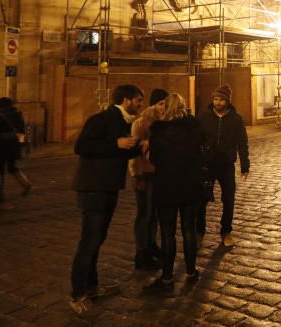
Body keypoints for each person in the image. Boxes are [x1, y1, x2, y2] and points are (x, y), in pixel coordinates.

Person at [69, 84, 143, 315]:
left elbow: (120, 152)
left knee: (98, 238)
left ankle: (92, 286)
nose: (141, 105)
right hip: (93, 187)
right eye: (138, 100)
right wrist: (116, 143)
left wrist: (137, 147)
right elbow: (81, 146)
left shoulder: (124, 122)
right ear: (126, 100)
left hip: (108, 187)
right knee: (89, 240)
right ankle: (77, 294)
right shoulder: (100, 119)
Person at [146, 94, 203, 290]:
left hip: (166, 185)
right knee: (188, 229)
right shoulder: (194, 128)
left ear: (166, 108)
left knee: (167, 233)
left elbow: (153, 159)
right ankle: (191, 271)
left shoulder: (159, 131)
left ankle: (167, 277)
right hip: (189, 185)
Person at [197, 85, 249, 248]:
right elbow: (196, 140)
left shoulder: (236, 119)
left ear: (227, 101)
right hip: (207, 165)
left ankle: (226, 231)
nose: (217, 102)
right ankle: (199, 231)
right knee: (202, 199)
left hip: (226, 165)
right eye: (215, 99)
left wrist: (245, 165)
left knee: (228, 199)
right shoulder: (204, 118)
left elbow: (242, 143)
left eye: (220, 99)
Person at [129, 88, 167, 270]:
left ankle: (151, 245)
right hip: (145, 174)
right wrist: (137, 176)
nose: (163, 107)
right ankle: (141, 252)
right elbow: (133, 154)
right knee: (145, 214)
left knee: (155, 214)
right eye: (160, 103)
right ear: (153, 104)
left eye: (165, 104)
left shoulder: (165, 123)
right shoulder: (141, 123)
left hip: (159, 174)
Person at [0, 98, 32, 197]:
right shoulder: (18, 113)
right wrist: (22, 144)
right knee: (12, 166)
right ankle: (25, 183)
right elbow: (22, 129)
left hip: (1, 143)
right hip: (14, 143)